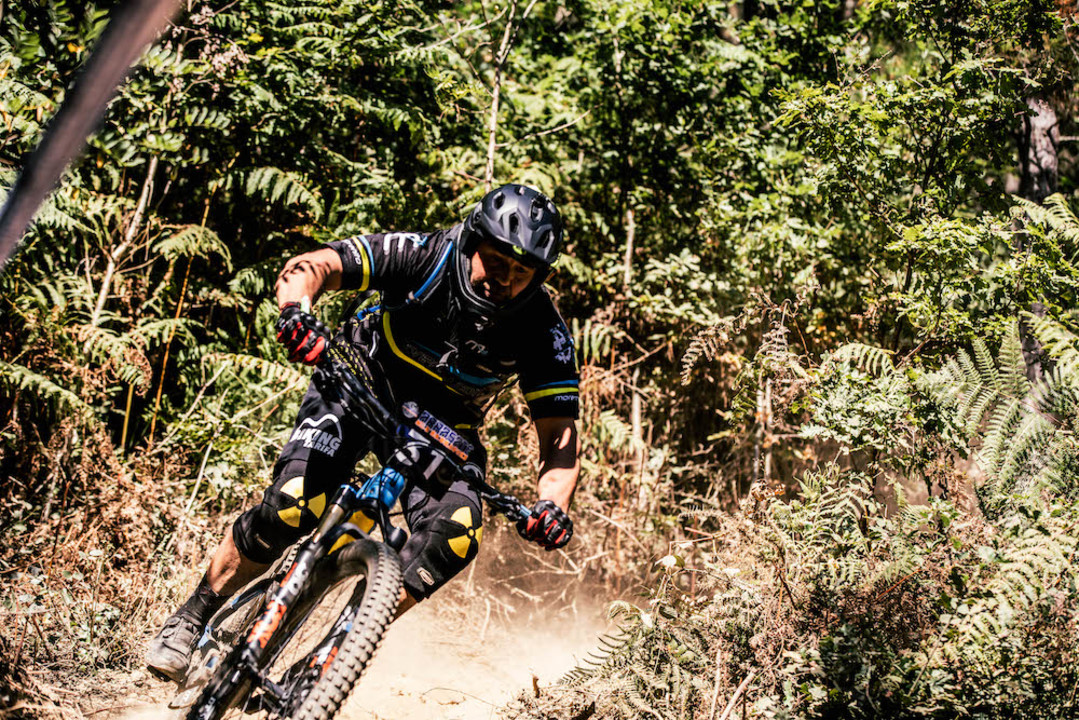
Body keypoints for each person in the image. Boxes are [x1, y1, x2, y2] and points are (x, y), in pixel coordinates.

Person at [146, 184, 581, 682]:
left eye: (521, 272)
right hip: (358, 383)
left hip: (444, 429)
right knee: (292, 504)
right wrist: (296, 312)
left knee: (458, 532)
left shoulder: (544, 332)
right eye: (496, 261)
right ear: (471, 242)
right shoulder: (425, 255)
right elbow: (315, 265)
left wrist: (552, 506)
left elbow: (559, 437)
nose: (504, 279)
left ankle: (332, 659)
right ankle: (194, 614)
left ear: (539, 276)